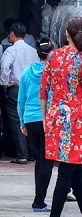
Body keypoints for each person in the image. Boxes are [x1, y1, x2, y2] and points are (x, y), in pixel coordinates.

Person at [42, 17, 82, 217]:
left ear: (67, 33)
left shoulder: (53, 56)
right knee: (70, 171)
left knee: (72, 172)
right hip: (78, 121)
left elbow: (44, 91)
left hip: (57, 119)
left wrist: (45, 119)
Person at [19, 40, 54, 213]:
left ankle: (39, 200)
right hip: (48, 120)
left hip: (30, 120)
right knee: (46, 161)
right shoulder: (54, 73)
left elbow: (21, 100)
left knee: (40, 161)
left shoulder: (26, 72)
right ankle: (39, 201)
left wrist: (22, 122)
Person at [0, 21, 39, 164]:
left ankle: (22, 154)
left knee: (16, 120)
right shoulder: (33, 51)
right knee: (29, 119)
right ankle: (32, 153)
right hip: (32, 89)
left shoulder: (11, 50)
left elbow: (5, 66)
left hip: (16, 88)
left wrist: (4, 83)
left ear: (11, 34)